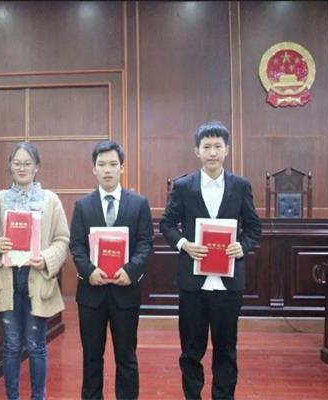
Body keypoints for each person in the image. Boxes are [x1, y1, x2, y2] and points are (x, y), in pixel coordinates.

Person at [159, 121, 261, 400]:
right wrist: (184, 244)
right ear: (197, 151)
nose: (212, 152)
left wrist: (242, 246)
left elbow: (254, 227)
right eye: (207, 147)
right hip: (193, 284)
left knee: (226, 349)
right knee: (191, 350)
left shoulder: (240, 186)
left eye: (218, 146)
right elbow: (167, 223)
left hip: (228, 283)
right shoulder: (183, 186)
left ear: (227, 150)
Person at [69, 141, 154, 400]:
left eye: (113, 164)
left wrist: (131, 270)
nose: (107, 170)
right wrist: (88, 271)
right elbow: (76, 245)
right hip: (91, 294)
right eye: (102, 164)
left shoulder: (139, 203)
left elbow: (145, 243)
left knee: (126, 357)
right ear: (94, 169)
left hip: (125, 293)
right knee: (91, 357)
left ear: (122, 168)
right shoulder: (82, 205)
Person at [0, 142, 70, 400]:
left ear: (37, 167)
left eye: (27, 163)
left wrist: (45, 258)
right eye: (17, 163)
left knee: (36, 345)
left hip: (37, 280)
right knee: (11, 346)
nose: (22, 168)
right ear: (10, 166)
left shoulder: (50, 200)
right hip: (7, 280)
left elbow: (62, 239)